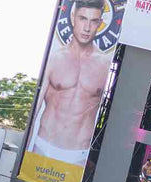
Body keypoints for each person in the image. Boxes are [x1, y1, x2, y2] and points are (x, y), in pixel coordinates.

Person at [30, 0, 111, 166]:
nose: (87, 28)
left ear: (100, 23)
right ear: (73, 17)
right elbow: (34, 111)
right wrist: (26, 152)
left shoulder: (105, 64)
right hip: (44, 146)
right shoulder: (54, 58)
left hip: (78, 154)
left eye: (93, 21)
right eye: (83, 19)